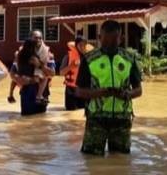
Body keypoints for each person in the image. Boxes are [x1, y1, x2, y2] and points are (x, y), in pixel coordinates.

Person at [76, 20, 143, 155]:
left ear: (121, 39)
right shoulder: (89, 59)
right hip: (96, 118)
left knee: (120, 160)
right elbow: (79, 91)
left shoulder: (129, 58)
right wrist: (99, 93)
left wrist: (127, 95)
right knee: (91, 159)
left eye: (113, 41)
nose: (108, 46)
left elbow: (139, 90)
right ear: (99, 38)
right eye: (105, 41)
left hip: (122, 119)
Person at [10, 30, 56, 116]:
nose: (38, 40)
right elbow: (12, 73)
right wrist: (20, 79)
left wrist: (40, 65)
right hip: (27, 91)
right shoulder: (21, 54)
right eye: (35, 38)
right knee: (26, 118)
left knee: (41, 119)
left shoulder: (48, 54)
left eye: (40, 38)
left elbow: (53, 74)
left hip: (42, 92)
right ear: (30, 39)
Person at [59, 34, 94, 111]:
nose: (82, 47)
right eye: (80, 45)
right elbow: (61, 73)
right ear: (76, 45)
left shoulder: (89, 58)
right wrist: (71, 66)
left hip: (84, 89)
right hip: (71, 90)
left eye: (84, 45)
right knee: (70, 110)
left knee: (84, 109)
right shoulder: (68, 57)